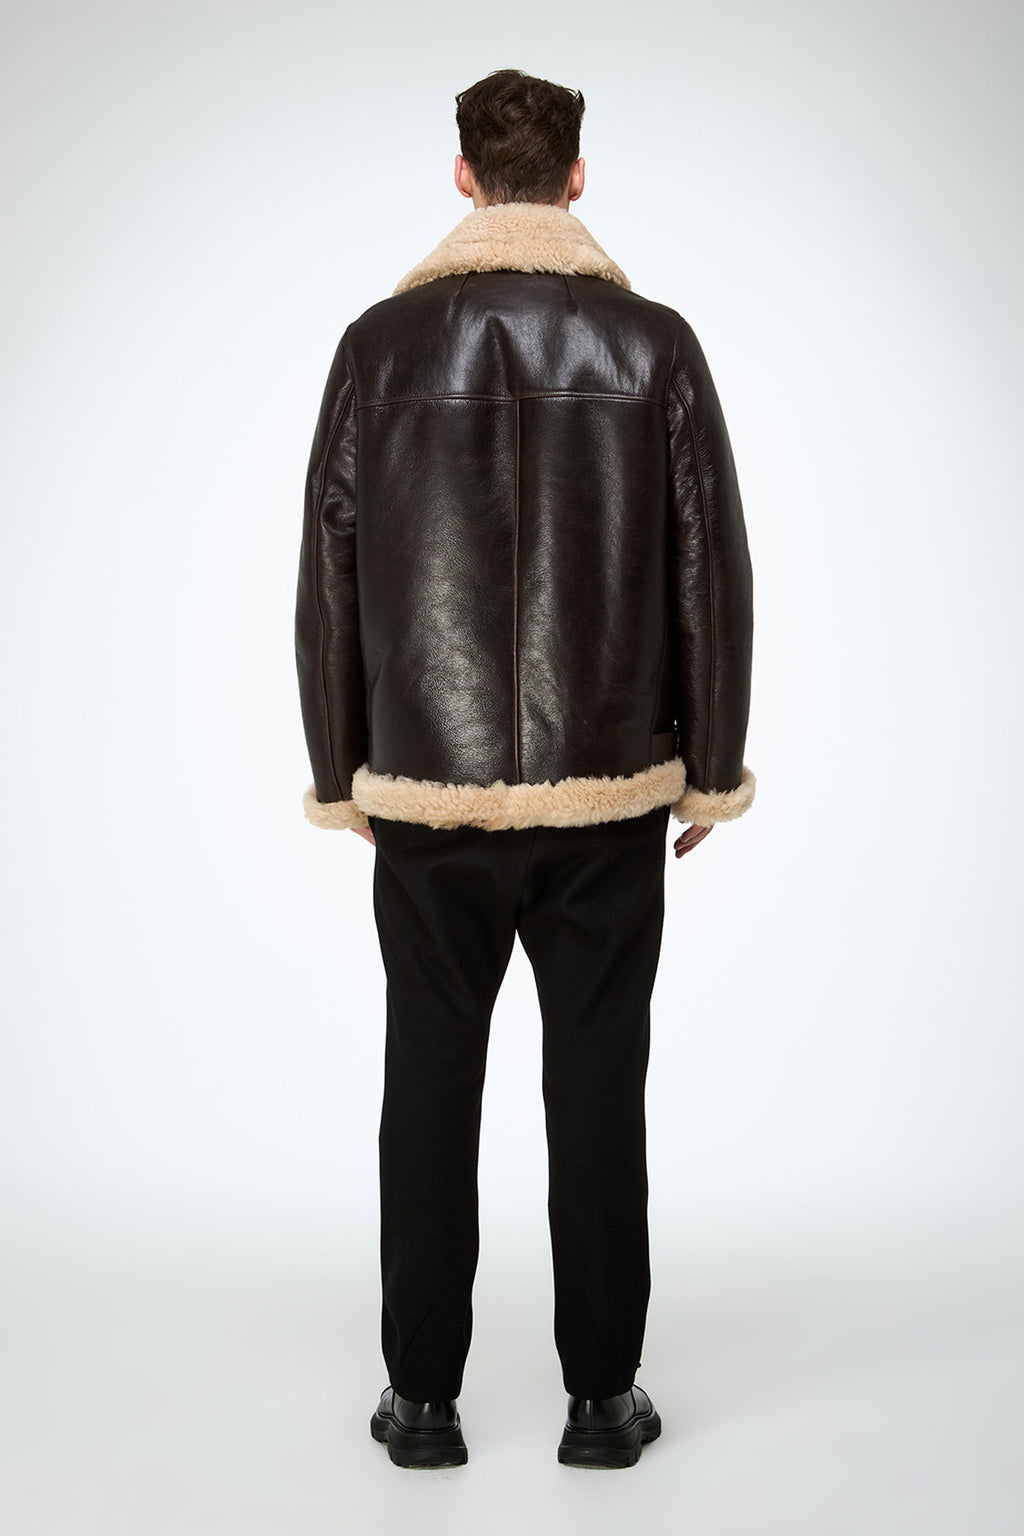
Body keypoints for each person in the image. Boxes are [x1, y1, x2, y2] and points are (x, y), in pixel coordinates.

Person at [294, 66, 756, 1471]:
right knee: (598, 1090)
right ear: (575, 176)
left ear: (461, 176)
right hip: (605, 793)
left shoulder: (379, 349)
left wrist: (344, 770)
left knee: (427, 1086)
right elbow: (709, 565)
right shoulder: (652, 345)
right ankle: (603, 1403)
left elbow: (329, 570)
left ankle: (420, 1404)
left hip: (427, 798)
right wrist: (708, 768)